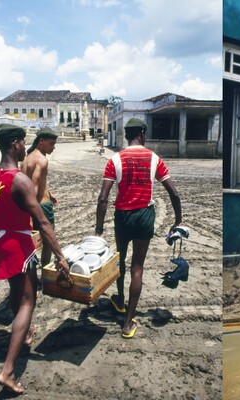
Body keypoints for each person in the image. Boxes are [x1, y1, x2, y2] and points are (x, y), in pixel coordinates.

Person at [0, 124, 70, 394]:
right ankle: (8, 371)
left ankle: (25, 334)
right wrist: (60, 256)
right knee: (28, 302)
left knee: (16, 291)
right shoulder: (18, 179)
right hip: (18, 246)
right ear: (14, 145)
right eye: (22, 142)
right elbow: (42, 222)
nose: (25, 146)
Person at [95, 118, 182, 338]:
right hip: (145, 216)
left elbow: (103, 199)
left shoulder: (114, 160)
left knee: (120, 261)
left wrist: (98, 229)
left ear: (126, 135)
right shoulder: (154, 159)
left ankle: (121, 301)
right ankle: (127, 323)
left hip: (122, 217)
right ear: (142, 134)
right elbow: (174, 193)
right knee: (137, 268)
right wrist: (178, 220)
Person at [20, 126, 60, 266]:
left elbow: (28, 183)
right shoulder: (42, 160)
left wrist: (49, 193)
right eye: (52, 143)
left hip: (29, 205)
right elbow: (35, 189)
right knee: (48, 242)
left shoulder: (27, 158)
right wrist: (33, 215)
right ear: (41, 141)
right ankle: (44, 274)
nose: (53, 147)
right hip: (42, 207)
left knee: (32, 240)